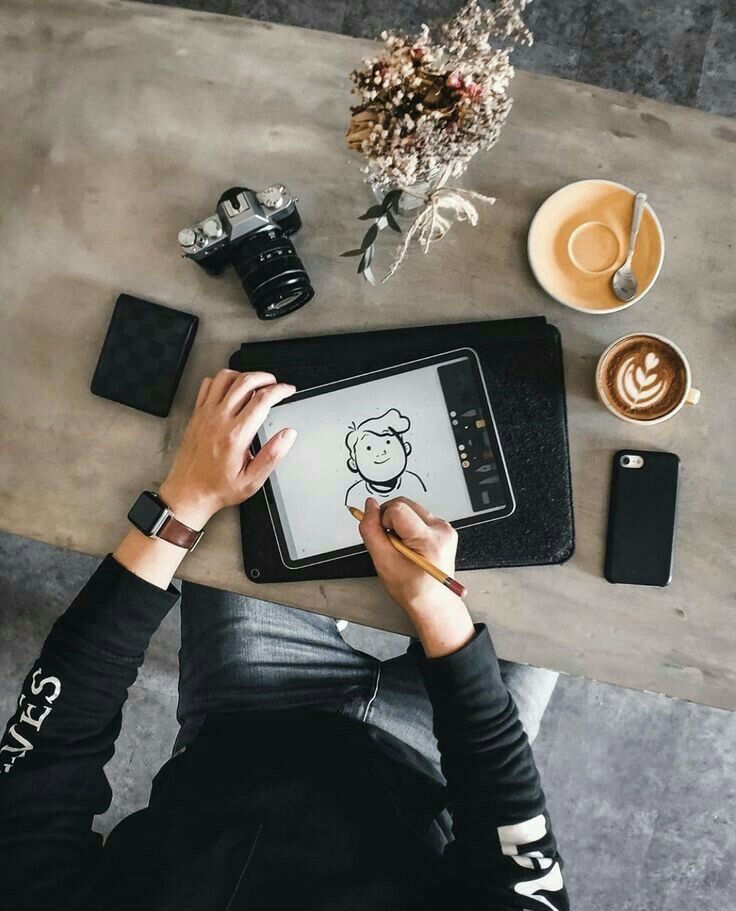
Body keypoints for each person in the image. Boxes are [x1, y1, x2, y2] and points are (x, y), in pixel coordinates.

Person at [0, 369, 568, 911]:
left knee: (261, 422)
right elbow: (515, 861)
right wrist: (438, 612)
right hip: (436, 769)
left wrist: (182, 507)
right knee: (566, 557)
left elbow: (42, 763)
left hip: (249, 714)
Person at [344, 407, 427, 509]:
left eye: (388, 442)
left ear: (405, 448)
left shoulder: (413, 482)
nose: (381, 453)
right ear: (353, 464)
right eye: (369, 448)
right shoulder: (355, 494)